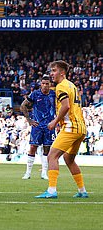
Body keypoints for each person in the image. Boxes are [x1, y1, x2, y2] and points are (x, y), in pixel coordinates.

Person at [36, 60, 88, 199]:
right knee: (68, 159)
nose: (51, 74)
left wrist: (55, 121)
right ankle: (82, 190)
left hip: (71, 127)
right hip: (81, 127)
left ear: (62, 72)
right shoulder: (72, 85)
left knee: (52, 156)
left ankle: (52, 190)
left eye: (54, 70)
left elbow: (66, 106)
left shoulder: (61, 86)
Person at [20, 75, 55, 180]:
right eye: (43, 83)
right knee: (32, 147)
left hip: (49, 125)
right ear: (41, 84)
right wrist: (29, 120)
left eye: (47, 84)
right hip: (37, 125)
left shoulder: (54, 94)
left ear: (50, 85)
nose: (45, 86)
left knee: (47, 149)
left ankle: (44, 173)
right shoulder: (35, 94)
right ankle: (28, 172)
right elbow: (23, 106)